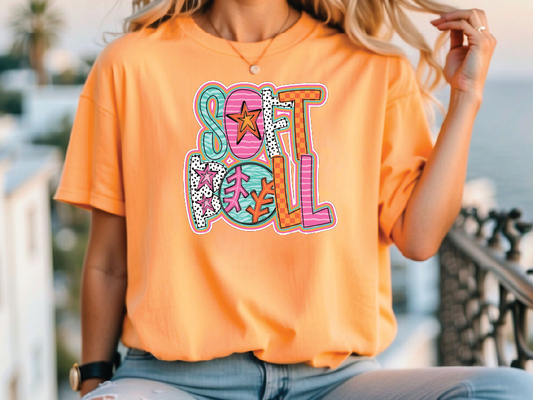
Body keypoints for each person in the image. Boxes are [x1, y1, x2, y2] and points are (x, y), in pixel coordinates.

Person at [53, 0, 533, 399]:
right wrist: (93, 379)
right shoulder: (132, 64)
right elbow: (108, 261)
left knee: (508, 389)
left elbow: (421, 237)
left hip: (336, 382)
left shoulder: (373, 67)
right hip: (171, 380)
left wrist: (466, 96)